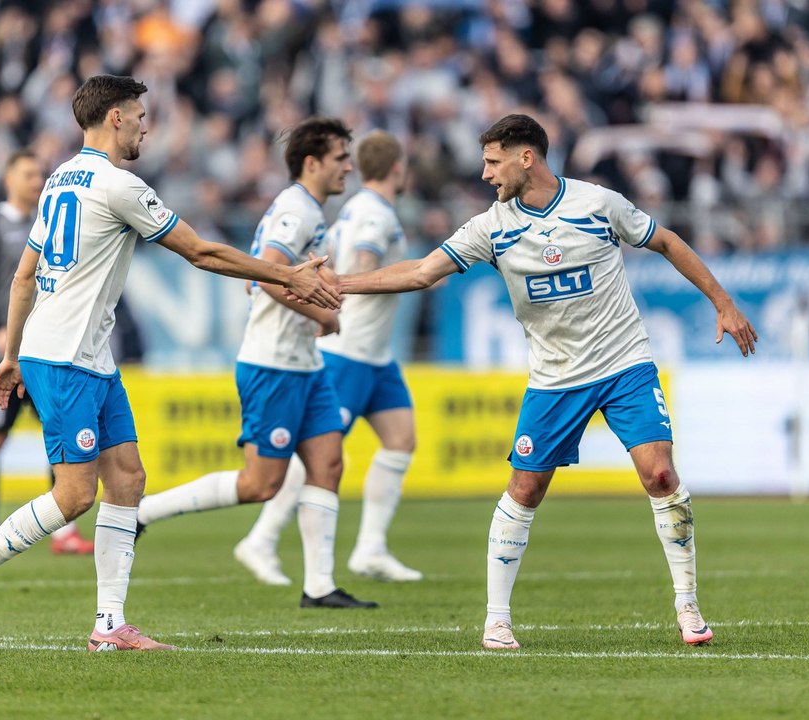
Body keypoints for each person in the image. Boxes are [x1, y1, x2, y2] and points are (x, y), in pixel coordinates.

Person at [0, 75, 340, 652]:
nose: (147, 123)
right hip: (66, 355)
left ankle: (108, 626)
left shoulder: (58, 180)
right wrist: (287, 274)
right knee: (75, 495)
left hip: (82, 353)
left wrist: (11, 353)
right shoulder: (120, 186)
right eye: (140, 114)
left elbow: (26, 274)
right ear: (116, 117)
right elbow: (199, 251)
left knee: (128, 479)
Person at [325, 114, 758, 649]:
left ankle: (688, 606)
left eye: (491, 162)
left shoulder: (598, 204)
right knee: (526, 489)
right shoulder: (492, 226)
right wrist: (338, 284)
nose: (485, 175)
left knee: (661, 476)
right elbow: (419, 272)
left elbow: (665, 242)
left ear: (525, 157)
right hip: (555, 378)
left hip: (624, 363)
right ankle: (497, 618)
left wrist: (723, 303)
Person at [135, 117, 378, 610]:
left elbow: (262, 278)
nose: (348, 168)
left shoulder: (305, 208)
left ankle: (319, 586)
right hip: (273, 364)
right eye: (339, 158)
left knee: (328, 463)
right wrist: (323, 313)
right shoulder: (297, 209)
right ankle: (142, 512)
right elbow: (264, 275)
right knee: (260, 485)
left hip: (304, 364)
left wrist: (319, 318)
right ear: (312, 163)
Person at [233, 130, 422, 585]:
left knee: (400, 438)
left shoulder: (353, 207)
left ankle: (371, 547)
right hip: (348, 352)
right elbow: (358, 266)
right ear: (398, 168)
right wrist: (410, 278)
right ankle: (262, 538)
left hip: (375, 354)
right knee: (318, 457)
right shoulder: (375, 216)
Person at [0, 149, 93, 552]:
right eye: (28, 174)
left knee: (56, 432)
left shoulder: (51, 220)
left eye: (40, 174)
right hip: (0, 355)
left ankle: (63, 532)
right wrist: (0, 330)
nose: (37, 181)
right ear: (8, 179)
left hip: (43, 352)